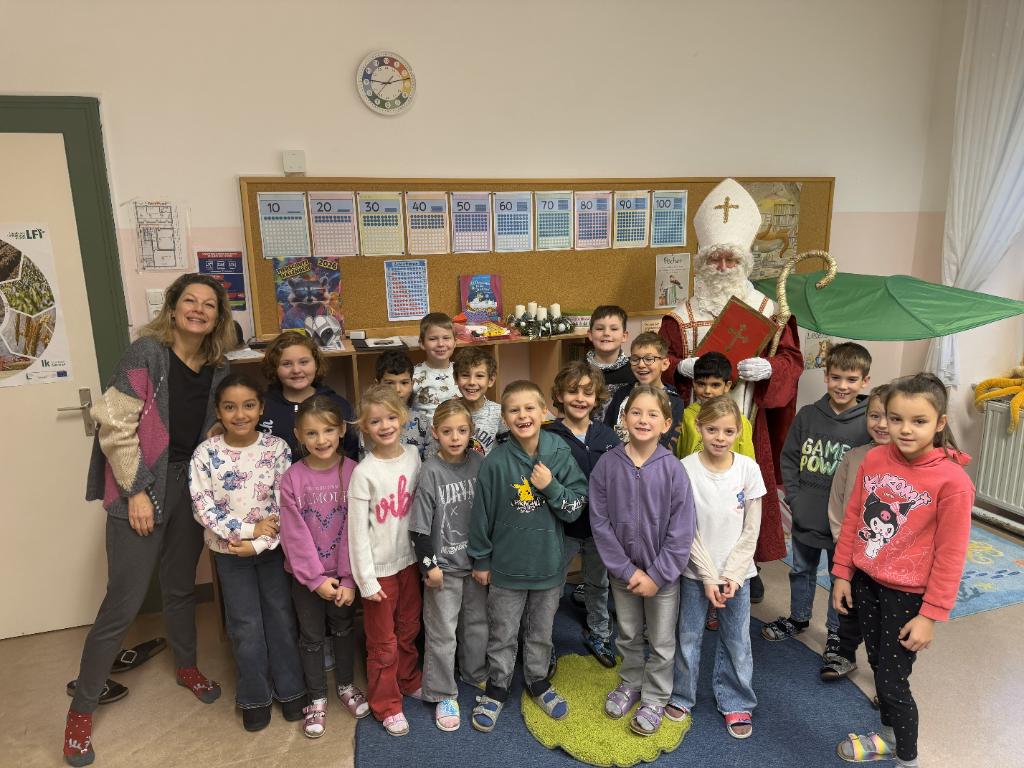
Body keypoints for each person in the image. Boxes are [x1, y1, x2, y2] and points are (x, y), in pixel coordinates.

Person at [67, 274, 234, 767]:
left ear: (218, 316)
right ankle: (80, 712)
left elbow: (212, 426)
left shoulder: (218, 367)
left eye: (208, 304)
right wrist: (136, 490)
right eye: (190, 301)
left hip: (188, 486)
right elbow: (114, 424)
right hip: (139, 483)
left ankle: (187, 666)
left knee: (180, 586)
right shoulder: (146, 354)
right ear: (174, 307)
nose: (198, 310)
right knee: (123, 602)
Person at [658, 178, 803, 602]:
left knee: (747, 493)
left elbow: (791, 362)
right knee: (697, 496)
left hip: (747, 421)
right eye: (714, 258)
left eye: (730, 259)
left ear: (744, 262)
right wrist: (678, 367)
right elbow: (659, 362)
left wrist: (770, 368)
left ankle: (748, 566)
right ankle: (692, 562)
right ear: (703, 262)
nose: (722, 266)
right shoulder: (681, 316)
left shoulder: (767, 312)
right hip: (694, 427)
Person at [832, 373, 974, 768]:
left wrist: (930, 615)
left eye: (918, 421)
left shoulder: (954, 481)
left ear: (940, 423)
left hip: (908, 597)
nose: (905, 429)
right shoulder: (874, 459)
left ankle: (907, 759)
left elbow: (951, 555)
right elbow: (854, 518)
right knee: (879, 666)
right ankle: (889, 738)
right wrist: (842, 572)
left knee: (892, 683)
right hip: (867, 582)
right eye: (896, 419)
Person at [468, 381, 588, 733]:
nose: (523, 415)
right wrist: (481, 559)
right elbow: (481, 516)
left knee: (541, 631)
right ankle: (498, 686)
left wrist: (550, 486)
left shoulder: (559, 452)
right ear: (504, 418)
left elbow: (574, 508)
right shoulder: (495, 463)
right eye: (514, 410)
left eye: (529, 408)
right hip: (506, 568)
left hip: (548, 566)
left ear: (544, 412)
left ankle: (538, 681)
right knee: (503, 632)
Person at [189, 373, 303, 731]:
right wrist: (247, 532)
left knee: (281, 620)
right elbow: (203, 507)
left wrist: (260, 542)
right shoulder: (206, 453)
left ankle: (291, 690)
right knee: (245, 625)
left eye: (249, 405)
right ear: (218, 411)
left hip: (272, 550)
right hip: (230, 553)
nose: (240, 414)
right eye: (230, 407)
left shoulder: (277, 449)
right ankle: (255, 696)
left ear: (261, 408)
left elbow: (287, 504)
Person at [589, 386, 696, 737]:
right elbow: (600, 522)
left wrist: (658, 575)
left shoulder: (674, 470)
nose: (643, 420)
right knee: (629, 633)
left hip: (662, 577)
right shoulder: (607, 465)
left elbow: (682, 530)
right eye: (636, 412)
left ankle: (655, 697)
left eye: (652, 414)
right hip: (623, 574)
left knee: (662, 641)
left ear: (666, 423)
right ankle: (631, 682)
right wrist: (624, 568)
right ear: (624, 418)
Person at [763, 343, 872, 662]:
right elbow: (789, 458)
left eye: (851, 379)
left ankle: (837, 632)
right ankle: (798, 618)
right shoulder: (808, 415)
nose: (842, 385)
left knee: (841, 578)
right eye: (836, 377)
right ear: (826, 376)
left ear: (865, 381)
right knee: (801, 570)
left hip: (845, 524)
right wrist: (795, 500)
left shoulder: (869, 423)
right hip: (806, 514)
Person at [667, 396, 765, 740]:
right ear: (699, 428)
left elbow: (752, 529)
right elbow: (685, 530)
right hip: (695, 572)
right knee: (688, 636)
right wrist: (709, 575)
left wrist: (733, 575)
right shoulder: (684, 469)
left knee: (737, 639)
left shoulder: (748, 469)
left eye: (728, 431)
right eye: (712, 430)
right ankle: (682, 695)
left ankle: (736, 700)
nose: (720, 438)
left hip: (738, 575)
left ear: (739, 432)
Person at [278, 396, 369, 738]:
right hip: (307, 580)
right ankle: (317, 698)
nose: (321, 440)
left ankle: (345, 686)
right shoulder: (292, 479)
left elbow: (355, 529)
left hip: (344, 576)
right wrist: (315, 579)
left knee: (344, 630)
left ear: (342, 430)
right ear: (298, 435)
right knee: (312, 637)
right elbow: (293, 534)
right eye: (312, 433)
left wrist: (348, 578)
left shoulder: (354, 472)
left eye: (329, 430)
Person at [347, 385, 423, 736]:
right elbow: (357, 533)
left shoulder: (414, 456)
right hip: (379, 572)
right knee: (383, 643)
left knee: (409, 629)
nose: (385, 425)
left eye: (391, 417)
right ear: (364, 426)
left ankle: (408, 679)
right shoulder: (364, 473)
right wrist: (366, 580)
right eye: (375, 421)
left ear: (403, 417)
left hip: (410, 563)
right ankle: (387, 703)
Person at [409, 399, 487, 732]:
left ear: (471, 432)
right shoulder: (430, 470)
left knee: (477, 624)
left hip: (476, 565)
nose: (455, 437)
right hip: (443, 570)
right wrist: (429, 567)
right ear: (434, 433)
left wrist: (486, 559)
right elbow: (418, 527)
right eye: (447, 431)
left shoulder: (479, 463)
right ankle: (442, 692)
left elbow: (489, 514)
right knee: (442, 634)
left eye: (462, 430)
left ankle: (474, 671)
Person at [544, 361, 620, 667]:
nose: (580, 398)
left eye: (588, 393)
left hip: (599, 529)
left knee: (598, 583)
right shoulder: (549, 436)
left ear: (597, 397)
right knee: (550, 587)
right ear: (559, 395)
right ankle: (541, 641)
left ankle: (599, 631)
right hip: (561, 528)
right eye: (572, 391)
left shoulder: (608, 437)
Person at [821, 384, 891, 682]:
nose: (882, 424)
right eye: (875, 416)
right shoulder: (854, 457)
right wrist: (842, 542)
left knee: (884, 617)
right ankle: (845, 654)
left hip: (889, 559)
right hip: (852, 550)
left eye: (890, 417)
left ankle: (885, 674)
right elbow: (837, 502)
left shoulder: (907, 462)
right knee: (849, 608)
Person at [258, 330, 358, 461]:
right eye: (286, 364)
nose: (296, 370)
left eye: (304, 362)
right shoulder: (262, 406)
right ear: (274, 368)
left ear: (316, 364)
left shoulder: (338, 405)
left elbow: (351, 453)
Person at [604, 332, 685, 450]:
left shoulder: (675, 402)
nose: (641, 364)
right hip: (617, 457)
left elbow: (668, 443)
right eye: (635, 359)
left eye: (649, 359)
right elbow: (607, 431)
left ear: (665, 364)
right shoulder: (621, 394)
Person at [676, 351, 755, 461]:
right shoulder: (685, 416)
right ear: (694, 384)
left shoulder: (740, 420)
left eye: (715, 385)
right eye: (701, 384)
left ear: (727, 386)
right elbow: (677, 456)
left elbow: (748, 461)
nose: (707, 391)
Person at [411, 312, 459, 459]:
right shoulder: (413, 375)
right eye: (433, 339)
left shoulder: (462, 372)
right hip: (426, 442)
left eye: (446, 338)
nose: (440, 344)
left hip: (458, 438)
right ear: (422, 343)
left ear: (455, 342)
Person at [452, 346, 508, 455]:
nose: (472, 382)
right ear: (455, 378)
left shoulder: (499, 413)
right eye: (465, 375)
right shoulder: (448, 412)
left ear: (491, 380)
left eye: (479, 376)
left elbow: (507, 453)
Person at [586, 305, 635, 422]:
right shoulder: (579, 370)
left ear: (624, 336)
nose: (606, 333)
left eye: (614, 329)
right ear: (590, 334)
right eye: (599, 329)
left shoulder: (635, 370)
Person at [374, 349, 420, 453]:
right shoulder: (370, 424)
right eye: (390, 383)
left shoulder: (422, 422)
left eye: (404, 383)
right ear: (377, 385)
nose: (397, 390)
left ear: (412, 384)